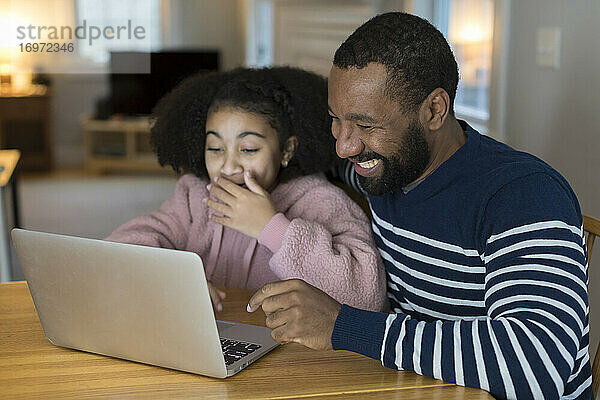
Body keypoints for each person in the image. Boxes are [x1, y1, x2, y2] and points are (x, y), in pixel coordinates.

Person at [247, 12, 592, 400]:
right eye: (336, 120)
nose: (345, 146)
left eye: (366, 125)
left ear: (434, 110)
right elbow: (318, 159)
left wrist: (342, 326)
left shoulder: (523, 195)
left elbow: (535, 367)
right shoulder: (380, 168)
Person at [106, 67, 386, 313]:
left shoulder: (320, 201)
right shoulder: (195, 196)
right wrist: (169, 277)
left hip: (292, 355)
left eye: (248, 149)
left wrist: (271, 227)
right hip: (212, 343)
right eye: (215, 148)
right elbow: (123, 246)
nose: (228, 166)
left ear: (286, 149)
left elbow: (366, 296)